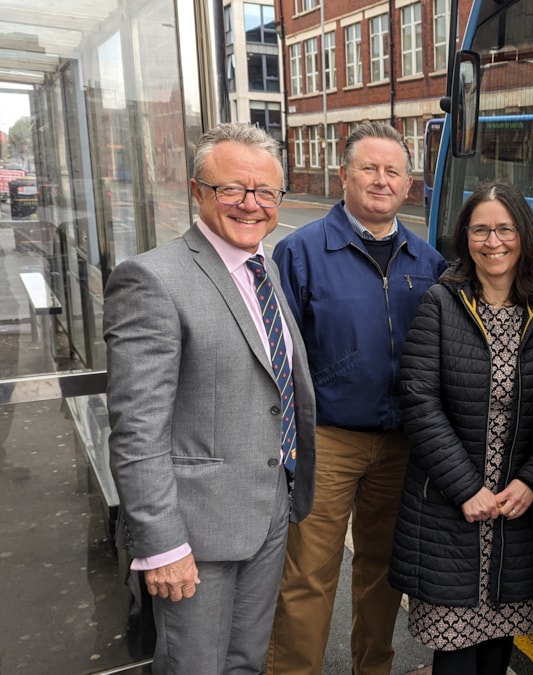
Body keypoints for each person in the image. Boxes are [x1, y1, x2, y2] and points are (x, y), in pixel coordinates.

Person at [104, 122, 316, 674]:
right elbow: (137, 429)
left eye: (266, 192)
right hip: (195, 532)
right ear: (198, 191)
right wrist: (163, 545)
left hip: (267, 507)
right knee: (194, 667)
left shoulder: (263, 267)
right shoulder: (152, 279)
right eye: (232, 190)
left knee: (245, 662)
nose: (252, 205)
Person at [268, 120, 446, 674]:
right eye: (368, 168)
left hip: (401, 445)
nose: (380, 180)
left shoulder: (428, 262)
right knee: (308, 576)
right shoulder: (299, 254)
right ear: (344, 174)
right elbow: (280, 361)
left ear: (409, 184)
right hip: (329, 441)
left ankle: (374, 668)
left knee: (382, 572)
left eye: (393, 171)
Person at [389, 180, 533, 674]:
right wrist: (467, 488)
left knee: (497, 649)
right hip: (451, 508)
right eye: (481, 229)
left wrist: (532, 480)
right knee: (456, 653)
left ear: (524, 235)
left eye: (505, 229)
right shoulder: (441, 303)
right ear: (465, 237)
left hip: (517, 509)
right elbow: (419, 401)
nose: (493, 242)